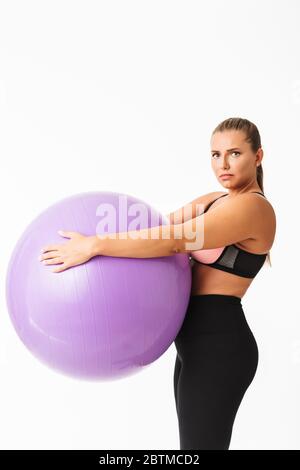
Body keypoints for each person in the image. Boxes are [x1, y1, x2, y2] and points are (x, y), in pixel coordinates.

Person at [38, 116, 276, 450]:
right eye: (214, 154)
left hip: (219, 345)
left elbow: (173, 240)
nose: (222, 164)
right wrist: (96, 237)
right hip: (193, 344)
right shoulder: (214, 200)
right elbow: (155, 226)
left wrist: (94, 246)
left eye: (234, 153)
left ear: (258, 156)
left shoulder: (254, 208)